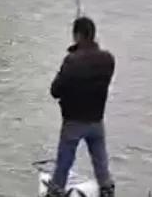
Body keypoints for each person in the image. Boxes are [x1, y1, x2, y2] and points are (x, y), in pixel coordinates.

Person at [46, 16, 116, 197]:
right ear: (93, 35)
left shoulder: (72, 61)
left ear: (77, 35)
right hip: (96, 121)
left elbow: (55, 90)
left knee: (64, 162)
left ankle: (56, 191)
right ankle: (107, 189)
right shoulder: (108, 60)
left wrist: (73, 56)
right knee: (100, 162)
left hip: (74, 122)